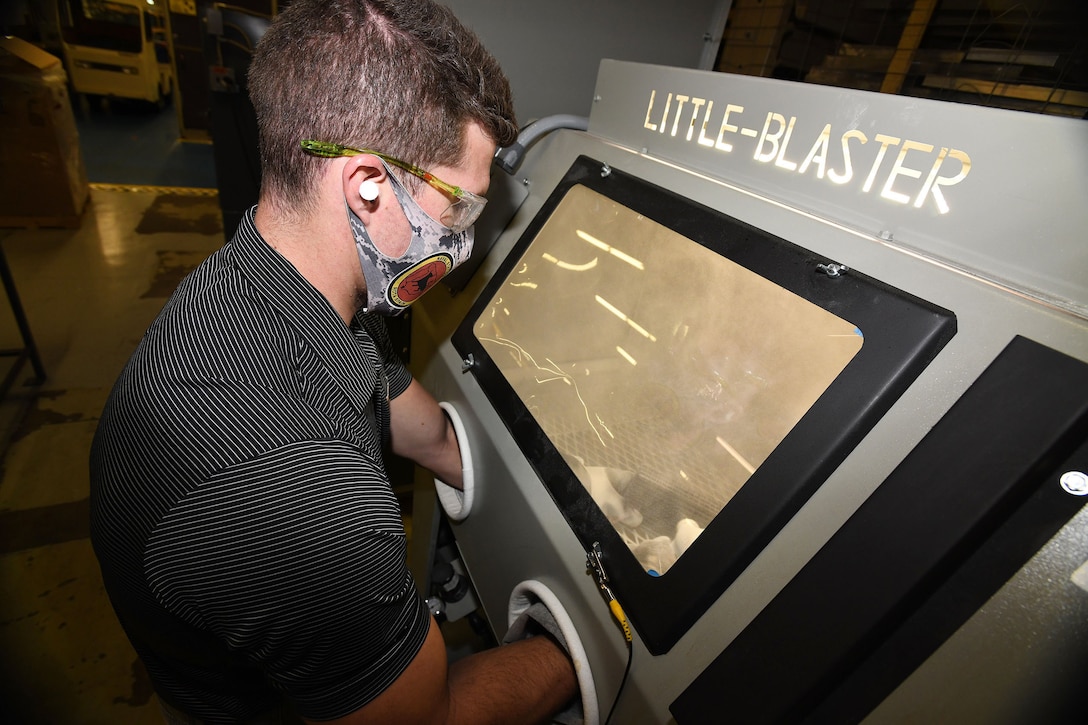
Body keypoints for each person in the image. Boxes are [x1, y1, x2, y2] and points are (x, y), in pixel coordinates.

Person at [89, 1, 577, 722]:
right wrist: (578, 645)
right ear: (368, 186)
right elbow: (430, 715)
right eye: (461, 213)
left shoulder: (270, 284)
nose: (465, 245)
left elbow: (435, 439)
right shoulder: (301, 497)